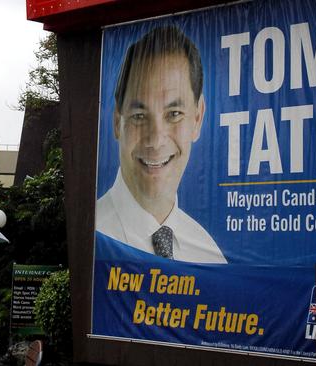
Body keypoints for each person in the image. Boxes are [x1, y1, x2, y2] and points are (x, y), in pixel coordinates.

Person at [96, 26, 227, 263]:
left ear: (198, 118)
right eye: (139, 115)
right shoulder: (93, 241)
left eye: (174, 113)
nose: (156, 141)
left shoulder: (210, 257)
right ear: (117, 121)